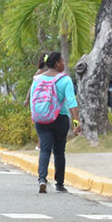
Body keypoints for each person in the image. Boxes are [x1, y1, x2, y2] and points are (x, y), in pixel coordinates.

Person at [29, 52, 81, 194]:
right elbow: (71, 102)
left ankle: (42, 179)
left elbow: (32, 101)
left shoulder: (37, 79)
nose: (64, 63)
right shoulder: (65, 80)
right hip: (60, 118)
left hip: (41, 118)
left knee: (45, 150)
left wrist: (36, 118)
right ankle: (59, 184)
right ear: (57, 63)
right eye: (62, 61)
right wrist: (76, 123)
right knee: (59, 151)